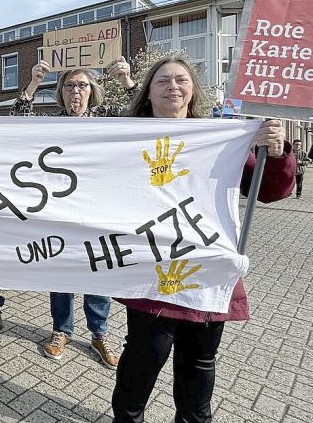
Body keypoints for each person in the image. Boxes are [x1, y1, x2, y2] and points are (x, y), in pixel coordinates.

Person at [111, 56, 294, 423]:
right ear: (147, 92)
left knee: (198, 369)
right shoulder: (124, 137)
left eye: (181, 80)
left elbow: (270, 191)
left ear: (193, 90)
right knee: (141, 364)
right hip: (150, 272)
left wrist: (275, 154)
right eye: (162, 81)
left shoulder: (221, 140)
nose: (172, 87)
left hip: (205, 272)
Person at [11, 59, 137, 369]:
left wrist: (127, 80)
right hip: (61, 212)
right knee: (62, 273)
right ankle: (61, 330)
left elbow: (146, 114)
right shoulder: (54, 122)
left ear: (92, 91)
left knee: (98, 273)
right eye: (69, 86)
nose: (75, 92)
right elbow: (15, 122)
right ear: (61, 93)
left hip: (99, 212)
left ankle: (99, 333)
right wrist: (33, 82)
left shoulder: (109, 119)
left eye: (81, 85)